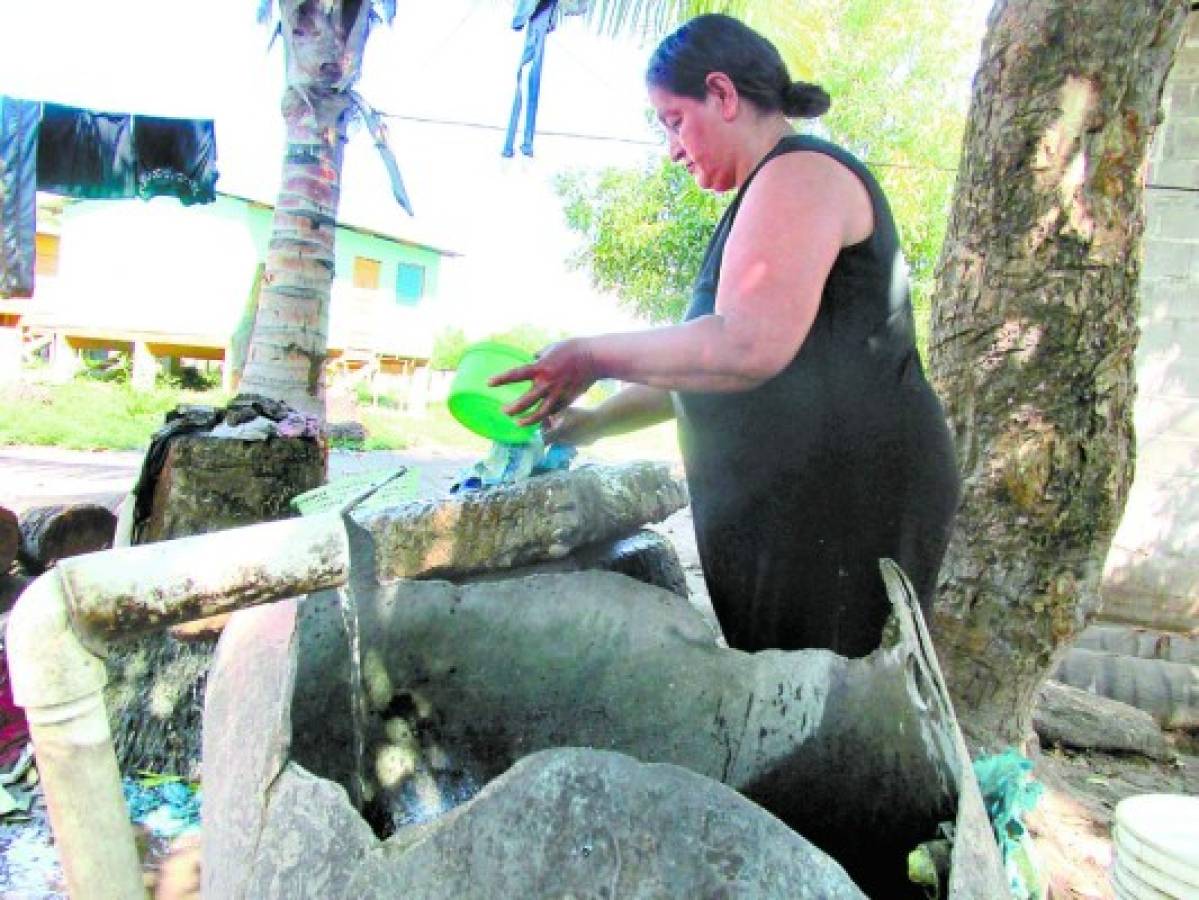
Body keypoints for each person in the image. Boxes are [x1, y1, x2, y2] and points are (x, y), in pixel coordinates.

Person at [491, 13, 960, 658]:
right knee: (792, 704)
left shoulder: (800, 175)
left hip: (846, 503)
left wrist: (593, 354)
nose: (673, 148)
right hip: (809, 505)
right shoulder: (762, 198)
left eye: (674, 121)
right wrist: (593, 422)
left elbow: (744, 347)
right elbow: (704, 367)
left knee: (834, 712)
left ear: (723, 93)